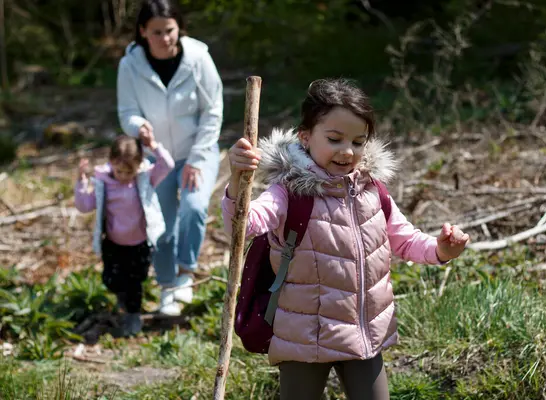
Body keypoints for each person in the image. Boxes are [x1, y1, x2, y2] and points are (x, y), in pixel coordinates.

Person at [222, 78, 470, 399]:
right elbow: (245, 226)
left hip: (363, 336)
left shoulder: (371, 191)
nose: (347, 151)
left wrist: (441, 249)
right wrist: (235, 180)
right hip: (304, 338)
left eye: (358, 141)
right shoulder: (290, 192)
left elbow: (405, 240)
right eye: (335, 139)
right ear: (306, 136)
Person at [116, 0, 223, 315]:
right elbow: (127, 111)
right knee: (160, 224)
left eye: (170, 30)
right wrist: (139, 127)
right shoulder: (130, 65)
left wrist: (197, 157)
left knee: (193, 207)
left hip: (197, 152)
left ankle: (186, 273)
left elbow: (213, 111)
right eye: (157, 32)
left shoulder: (198, 58)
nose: (165, 38)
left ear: (180, 28)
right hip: (156, 157)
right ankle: (166, 287)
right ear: (143, 32)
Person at [74, 132, 175, 336]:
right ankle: (123, 298)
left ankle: (133, 315)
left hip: (139, 243)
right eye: (119, 171)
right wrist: (81, 181)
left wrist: (153, 145)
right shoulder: (104, 183)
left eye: (128, 172)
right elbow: (84, 205)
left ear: (138, 166)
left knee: (135, 281)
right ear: (111, 162)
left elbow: (168, 165)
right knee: (111, 279)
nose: (123, 176)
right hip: (113, 243)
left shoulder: (144, 178)